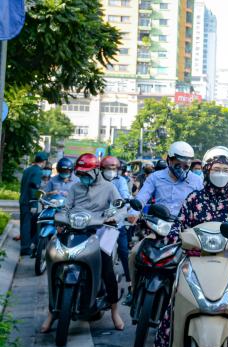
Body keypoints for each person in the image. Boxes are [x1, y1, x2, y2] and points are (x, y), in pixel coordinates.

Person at [152, 146, 228, 347]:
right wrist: (174, 234)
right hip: (194, 260)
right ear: (206, 171)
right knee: (175, 302)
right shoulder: (194, 199)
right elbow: (180, 223)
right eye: (216, 169)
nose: (221, 174)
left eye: (225, 169)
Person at [40, 153, 124, 333]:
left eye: (86, 173)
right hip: (74, 229)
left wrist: (114, 218)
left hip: (99, 230)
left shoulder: (109, 188)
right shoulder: (75, 188)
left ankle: (115, 312)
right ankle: (52, 312)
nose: (82, 177)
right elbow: (65, 208)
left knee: (107, 267)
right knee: (55, 261)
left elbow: (121, 207)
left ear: (96, 171)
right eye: (80, 173)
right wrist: (60, 221)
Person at [127, 141, 203, 304]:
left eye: (186, 164)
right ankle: (133, 290)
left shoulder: (196, 181)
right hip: (158, 228)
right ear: (169, 160)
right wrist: (133, 212)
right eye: (178, 163)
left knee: (190, 265)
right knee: (134, 254)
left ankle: (181, 300)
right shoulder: (155, 177)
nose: (182, 168)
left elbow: (201, 206)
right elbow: (142, 196)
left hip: (184, 232)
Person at [100, 156, 133, 304]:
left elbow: (125, 196)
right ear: (101, 169)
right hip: (96, 224)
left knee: (125, 253)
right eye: (108, 168)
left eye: (114, 169)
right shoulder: (96, 181)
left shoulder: (120, 181)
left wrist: (123, 203)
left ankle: (131, 285)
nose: (111, 171)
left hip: (114, 225)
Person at [17, 151, 48, 255]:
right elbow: (33, 188)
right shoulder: (38, 171)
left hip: (23, 200)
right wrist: (34, 204)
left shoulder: (28, 170)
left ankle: (24, 246)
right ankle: (25, 249)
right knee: (27, 225)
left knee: (24, 224)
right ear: (43, 162)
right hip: (30, 202)